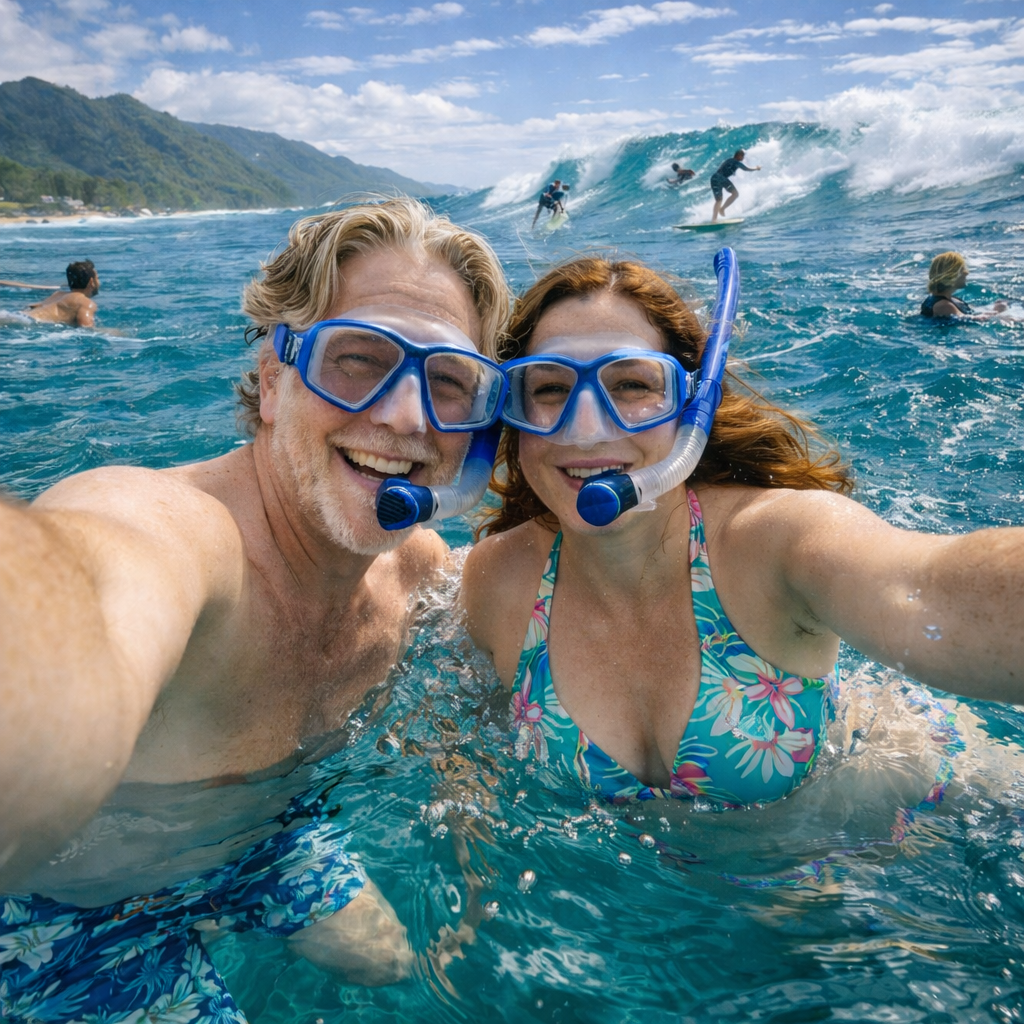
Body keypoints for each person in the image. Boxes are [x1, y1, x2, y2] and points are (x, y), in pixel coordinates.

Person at [0, 198, 509, 1020]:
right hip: (58, 911)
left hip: (264, 836)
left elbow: (460, 710)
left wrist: (469, 829)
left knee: (388, 963)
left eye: (449, 380)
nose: (407, 416)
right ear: (273, 382)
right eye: (357, 358)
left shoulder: (417, 571)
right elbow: (82, 599)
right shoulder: (175, 534)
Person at [462, 254, 1023, 807]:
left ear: (693, 403)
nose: (584, 429)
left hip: (899, 816)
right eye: (549, 389)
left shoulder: (778, 540)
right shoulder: (498, 577)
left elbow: (923, 586)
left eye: (632, 384)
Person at [920, 251, 1009, 319]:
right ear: (951, 275)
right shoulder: (943, 305)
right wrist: (997, 311)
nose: (966, 273)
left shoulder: (952, 299)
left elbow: (972, 314)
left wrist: (993, 310)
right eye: (962, 270)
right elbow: (972, 320)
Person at [25, 259, 100, 326]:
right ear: (91, 282)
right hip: (31, 322)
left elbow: (33, 306)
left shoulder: (58, 294)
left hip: (22, 316)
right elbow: (87, 330)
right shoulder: (87, 303)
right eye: (97, 278)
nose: (99, 282)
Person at [710, 149, 760, 222]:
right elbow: (746, 169)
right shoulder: (736, 162)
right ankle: (722, 209)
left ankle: (714, 220)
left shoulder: (729, 160)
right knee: (735, 194)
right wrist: (756, 168)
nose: (743, 158)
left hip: (714, 178)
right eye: (743, 156)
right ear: (739, 156)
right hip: (721, 178)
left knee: (718, 200)